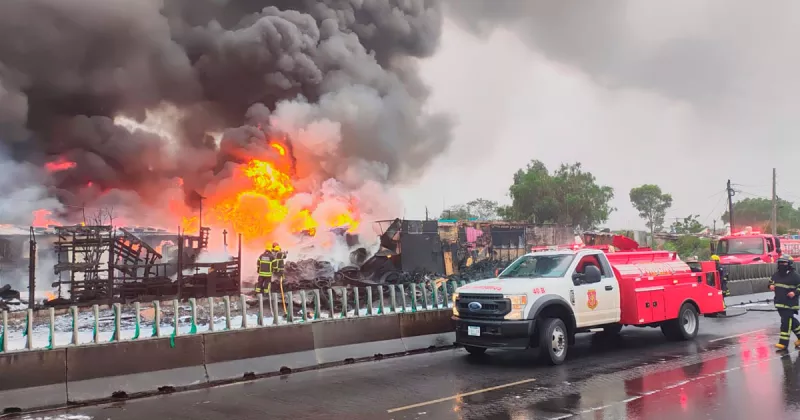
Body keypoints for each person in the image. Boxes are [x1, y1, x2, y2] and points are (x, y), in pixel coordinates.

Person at [770, 255, 800, 350]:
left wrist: (794, 292)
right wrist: (770, 285)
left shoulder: (795, 276)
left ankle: (783, 343)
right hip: (779, 303)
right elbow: (771, 281)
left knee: (786, 322)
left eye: (784, 263)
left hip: (790, 303)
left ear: (789, 264)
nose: (782, 265)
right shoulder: (776, 274)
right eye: (780, 263)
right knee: (791, 321)